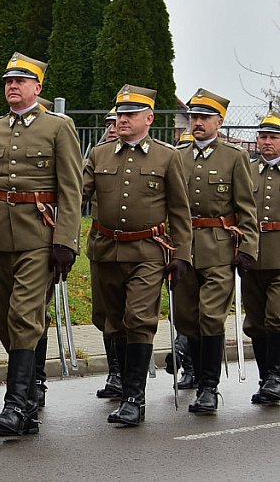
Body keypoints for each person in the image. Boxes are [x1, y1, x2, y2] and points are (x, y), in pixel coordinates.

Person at [0, 52, 82, 436]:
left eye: (21, 81)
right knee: (8, 319)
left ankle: (17, 405)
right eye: (8, 81)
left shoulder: (58, 128)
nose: (12, 86)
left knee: (24, 315)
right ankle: (32, 384)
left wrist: (66, 241)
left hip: (39, 237)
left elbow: (71, 189)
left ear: (37, 88)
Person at [83, 84, 192, 426]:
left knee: (139, 319)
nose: (123, 119)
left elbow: (179, 210)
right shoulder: (99, 155)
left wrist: (181, 254)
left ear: (149, 118)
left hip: (147, 251)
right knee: (111, 320)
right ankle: (121, 382)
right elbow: (76, 196)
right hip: (105, 249)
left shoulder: (167, 156)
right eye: (120, 114)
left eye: (130, 114)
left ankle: (134, 399)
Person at [173, 88, 258, 414]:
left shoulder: (234, 158)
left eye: (204, 118)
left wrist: (248, 246)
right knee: (185, 317)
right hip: (184, 247)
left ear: (219, 122)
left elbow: (246, 209)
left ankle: (209, 388)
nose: (197, 123)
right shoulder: (178, 157)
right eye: (194, 117)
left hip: (220, 248)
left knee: (210, 316)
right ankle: (193, 370)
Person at [242, 111, 280, 404]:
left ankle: (276, 376)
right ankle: (266, 376)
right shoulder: (248, 171)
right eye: (263, 136)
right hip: (252, 255)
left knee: (276, 317)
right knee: (254, 322)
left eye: (274, 137)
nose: (267, 142)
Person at [90, 108, 124, 400]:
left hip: (136, 248)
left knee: (131, 315)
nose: (113, 127)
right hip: (102, 243)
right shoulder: (98, 156)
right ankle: (114, 371)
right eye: (109, 123)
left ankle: (127, 376)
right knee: (104, 313)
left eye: (117, 122)